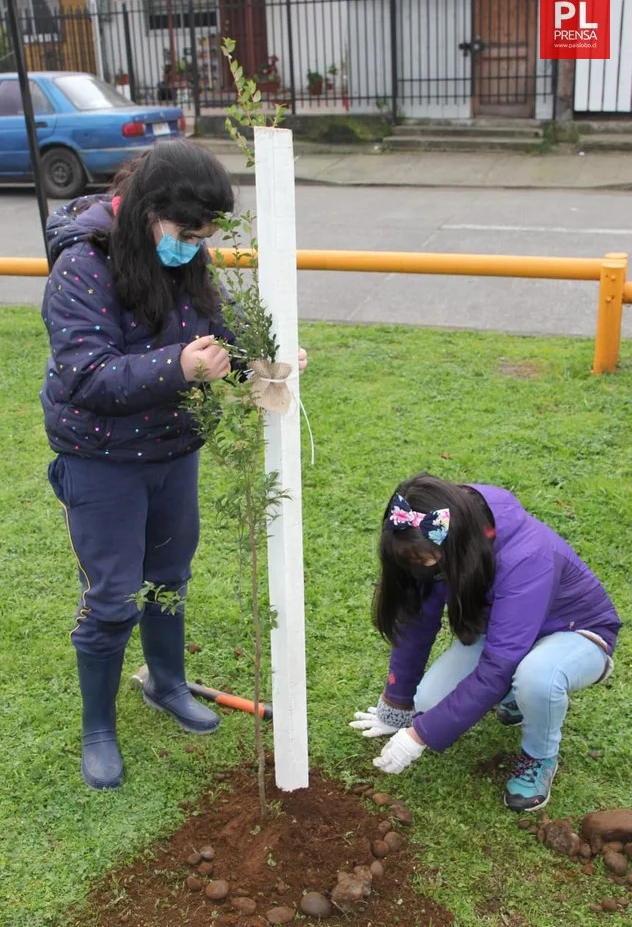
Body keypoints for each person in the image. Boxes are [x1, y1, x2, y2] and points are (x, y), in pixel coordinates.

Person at [41, 140, 307, 791]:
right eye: (188, 233)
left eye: (204, 237)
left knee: (168, 575)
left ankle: (165, 683)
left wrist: (262, 356)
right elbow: (84, 375)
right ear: (148, 210)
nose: (194, 246)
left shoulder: (182, 251)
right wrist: (178, 365)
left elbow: (216, 318)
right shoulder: (82, 265)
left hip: (170, 449)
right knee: (112, 598)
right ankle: (98, 728)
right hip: (101, 458)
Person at [350, 473, 620, 812]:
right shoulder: (440, 542)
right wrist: (398, 705)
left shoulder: (527, 555)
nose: (416, 568)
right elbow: (417, 622)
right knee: (430, 702)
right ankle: (513, 696)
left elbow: (499, 664)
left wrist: (418, 737)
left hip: (575, 634)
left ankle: (539, 757)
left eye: (422, 561)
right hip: (501, 632)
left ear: (452, 545)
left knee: (537, 677)